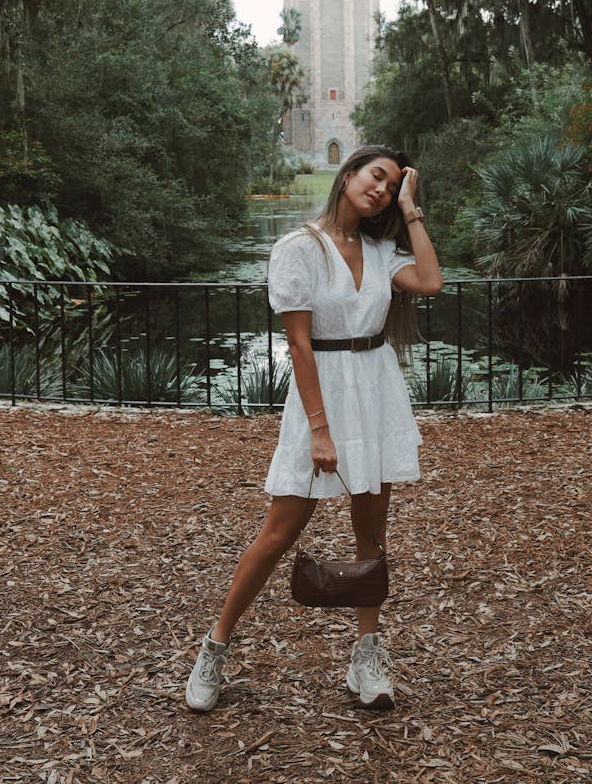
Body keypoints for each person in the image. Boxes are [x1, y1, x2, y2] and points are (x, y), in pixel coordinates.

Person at [186, 145, 443, 712]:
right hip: (321, 395)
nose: (380, 189)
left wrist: (412, 208)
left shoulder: (380, 251)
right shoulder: (298, 248)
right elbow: (300, 345)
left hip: (375, 391)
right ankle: (214, 648)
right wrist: (320, 430)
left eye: (392, 185)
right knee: (279, 532)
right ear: (348, 174)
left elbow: (429, 281)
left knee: (372, 536)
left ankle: (365, 656)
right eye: (376, 176)